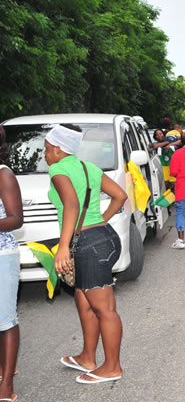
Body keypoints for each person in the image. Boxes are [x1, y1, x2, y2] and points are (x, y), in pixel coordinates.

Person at [46, 124, 127, 384]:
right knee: (84, 302)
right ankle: (87, 357)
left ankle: (112, 366)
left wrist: (62, 246)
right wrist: (100, 221)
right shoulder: (88, 168)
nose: (44, 155)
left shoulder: (57, 169)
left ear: (59, 150)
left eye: (47, 149)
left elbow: (71, 204)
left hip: (88, 245)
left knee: (104, 309)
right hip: (103, 238)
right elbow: (120, 196)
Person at [0, 126, 23, 402]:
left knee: (4, 318)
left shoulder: (3, 174)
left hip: (2, 254)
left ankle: (7, 383)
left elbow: (16, 219)